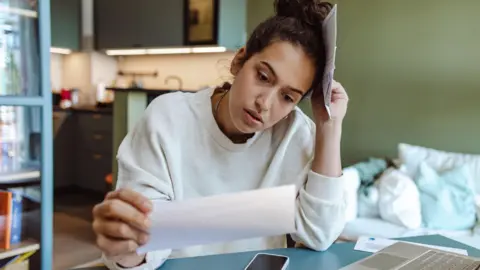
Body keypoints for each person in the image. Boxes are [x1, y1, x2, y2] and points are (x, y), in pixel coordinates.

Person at [92, 0, 349, 269]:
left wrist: (329, 127)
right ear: (240, 61)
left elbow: (320, 234)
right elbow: (144, 241)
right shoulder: (167, 119)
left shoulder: (295, 134)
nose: (265, 103)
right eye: (262, 76)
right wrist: (127, 246)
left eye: (287, 97)